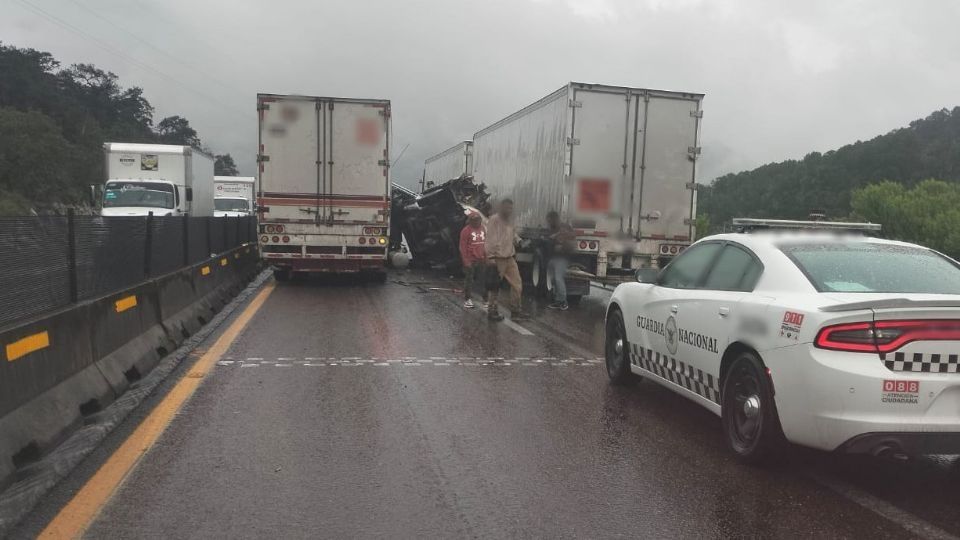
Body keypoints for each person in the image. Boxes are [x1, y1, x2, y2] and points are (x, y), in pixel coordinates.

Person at [485, 199, 526, 321]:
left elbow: (513, 234)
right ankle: (492, 310)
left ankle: (516, 311)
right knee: (495, 285)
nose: (509, 210)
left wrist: (519, 241)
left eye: (511, 208)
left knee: (517, 284)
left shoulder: (509, 221)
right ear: (501, 207)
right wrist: (491, 257)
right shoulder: (494, 220)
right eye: (507, 208)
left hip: (509, 257)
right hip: (498, 258)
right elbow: (490, 240)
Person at [545, 210, 576, 310]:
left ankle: (563, 301)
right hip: (553, 258)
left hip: (562, 258)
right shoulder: (552, 229)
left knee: (558, 278)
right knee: (553, 278)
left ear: (555, 219)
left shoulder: (565, 227)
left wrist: (562, 246)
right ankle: (558, 299)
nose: (548, 223)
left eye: (550, 220)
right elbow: (549, 239)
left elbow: (572, 242)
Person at [458, 211, 486, 308]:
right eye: (474, 220)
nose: (476, 222)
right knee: (469, 280)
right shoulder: (466, 231)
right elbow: (462, 247)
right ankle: (467, 299)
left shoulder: (483, 229)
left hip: (481, 259)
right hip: (470, 260)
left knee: (483, 280)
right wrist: (466, 261)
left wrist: (486, 257)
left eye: (478, 220)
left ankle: (485, 300)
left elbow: (485, 243)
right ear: (470, 221)